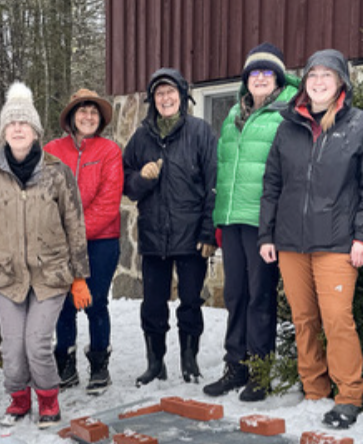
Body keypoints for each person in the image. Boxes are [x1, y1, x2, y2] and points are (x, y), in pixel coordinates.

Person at [259, 50, 363, 429]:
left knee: (337, 320)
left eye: (327, 76)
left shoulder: (362, 125)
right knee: (303, 320)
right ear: (304, 83)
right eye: (313, 75)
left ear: (341, 84)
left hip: (337, 242)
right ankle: (314, 390)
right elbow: (272, 184)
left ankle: (348, 395)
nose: (318, 82)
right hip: (290, 243)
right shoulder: (288, 127)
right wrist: (267, 234)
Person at [0, 83, 90, 427]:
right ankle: (19, 400)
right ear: (4, 131)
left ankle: (49, 400)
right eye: (11, 124)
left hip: (51, 274)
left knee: (37, 343)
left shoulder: (57, 172)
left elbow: (74, 224)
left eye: (24, 124)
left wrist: (79, 276)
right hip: (5, 274)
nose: (18, 129)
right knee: (12, 347)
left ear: (35, 131)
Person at [205, 43, 300, 402]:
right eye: (253, 73)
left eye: (266, 72)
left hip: (262, 222)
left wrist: (274, 225)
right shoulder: (233, 115)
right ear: (246, 80)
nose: (259, 79)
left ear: (276, 77)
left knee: (260, 297)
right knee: (235, 295)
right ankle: (236, 367)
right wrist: (218, 218)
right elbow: (224, 168)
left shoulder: (286, 113)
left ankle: (260, 372)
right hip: (232, 220)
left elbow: (286, 173)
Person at [123, 68, 217, 386]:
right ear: (153, 100)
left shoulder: (201, 132)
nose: (165, 98)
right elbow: (127, 184)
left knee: (191, 302)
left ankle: (189, 362)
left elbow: (213, 185)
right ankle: (155, 363)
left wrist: (208, 232)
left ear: (182, 95)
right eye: (160, 93)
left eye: (170, 92)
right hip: (153, 236)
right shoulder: (141, 138)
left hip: (191, 237)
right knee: (152, 305)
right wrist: (141, 178)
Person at [44, 89, 123, 395]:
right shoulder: (51, 150)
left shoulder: (109, 151)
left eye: (93, 111)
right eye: (82, 111)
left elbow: (108, 201)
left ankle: (100, 363)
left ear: (100, 118)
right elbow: (43, 195)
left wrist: (74, 233)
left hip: (101, 240)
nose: (87, 116)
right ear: (71, 117)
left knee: (95, 301)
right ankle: (65, 361)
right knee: (63, 303)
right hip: (59, 242)